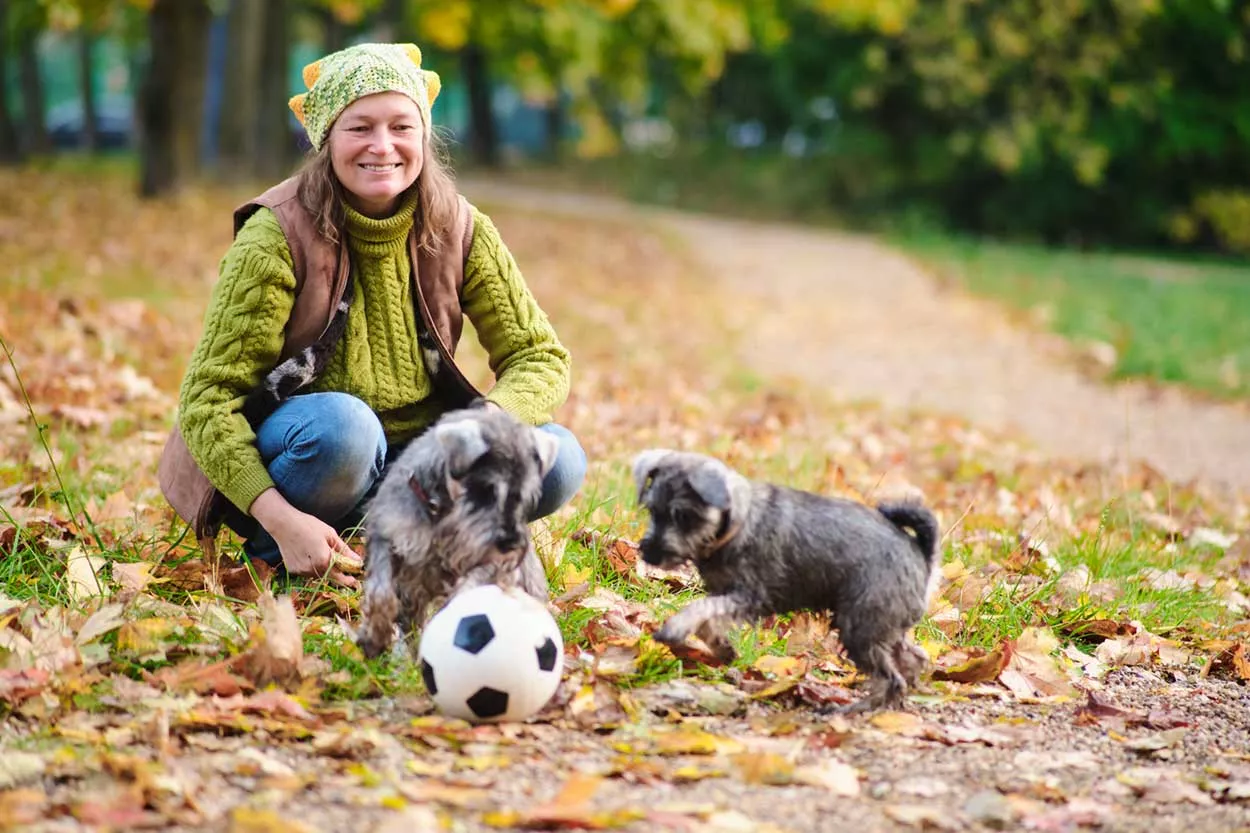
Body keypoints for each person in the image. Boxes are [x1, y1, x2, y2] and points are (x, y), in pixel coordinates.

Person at [158, 43, 584, 587]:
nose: (383, 146)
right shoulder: (277, 234)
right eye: (360, 127)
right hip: (309, 459)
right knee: (348, 430)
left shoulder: (459, 227)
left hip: (421, 466)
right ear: (326, 138)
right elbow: (207, 400)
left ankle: (399, 536)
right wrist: (278, 516)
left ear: (424, 136)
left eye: (401, 127)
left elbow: (538, 355)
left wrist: (480, 429)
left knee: (559, 457)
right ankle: (287, 548)